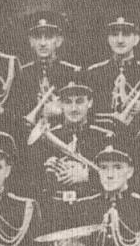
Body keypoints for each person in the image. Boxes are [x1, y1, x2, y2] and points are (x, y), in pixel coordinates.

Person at [22, 82, 113, 232]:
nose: (73, 108)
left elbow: (116, 176)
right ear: (61, 105)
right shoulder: (49, 135)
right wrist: (50, 172)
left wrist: (87, 176)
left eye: (79, 101)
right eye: (68, 102)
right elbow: (34, 180)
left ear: (90, 103)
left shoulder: (103, 135)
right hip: (56, 214)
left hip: (92, 211)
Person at [13, 11, 81, 143]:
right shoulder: (22, 73)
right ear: (31, 41)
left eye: (49, 37)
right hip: (30, 139)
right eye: (38, 37)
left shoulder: (73, 72)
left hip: (63, 137)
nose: (43, 43)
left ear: (59, 41)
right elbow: (18, 111)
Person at [83, 16, 140, 130]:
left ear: (136, 39)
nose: (120, 40)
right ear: (108, 39)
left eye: (126, 34)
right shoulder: (93, 73)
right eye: (114, 34)